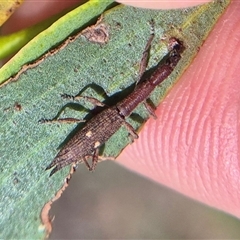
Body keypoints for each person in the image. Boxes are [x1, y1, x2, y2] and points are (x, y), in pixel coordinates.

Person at [3, 0, 240, 219]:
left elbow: (141, 87)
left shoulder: (127, 109)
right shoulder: (126, 112)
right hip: (102, 128)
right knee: (144, 84)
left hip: (103, 128)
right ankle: (56, 125)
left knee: (143, 84)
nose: (147, 87)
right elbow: (144, 87)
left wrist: (76, 99)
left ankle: (57, 124)